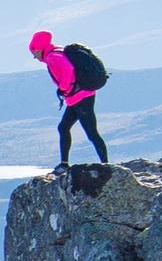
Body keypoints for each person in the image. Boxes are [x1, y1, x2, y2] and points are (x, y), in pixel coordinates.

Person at [31, 29, 110, 182]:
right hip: (79, 97)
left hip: (80, 97)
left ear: (39, 49)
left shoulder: (53, 57)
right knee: (64, 127)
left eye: (34, 52)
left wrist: (64, 88)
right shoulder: (57, 51)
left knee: (91, 132)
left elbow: (68, 70)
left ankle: (106, 165)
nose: (34, 56)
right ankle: (64, 164)